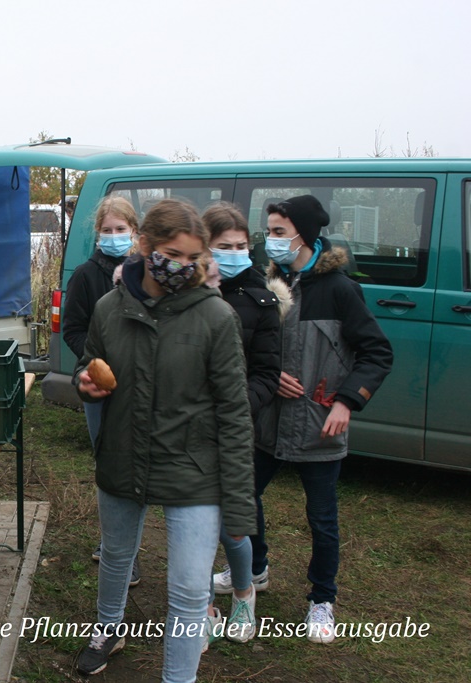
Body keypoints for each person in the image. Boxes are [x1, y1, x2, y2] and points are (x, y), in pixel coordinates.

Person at [73, 199, 254, 679]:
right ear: (144, 246)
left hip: (193, 468)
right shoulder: (109, 309)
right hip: (123, 455)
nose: (182, 267)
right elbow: (89, 364)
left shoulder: (216, 317)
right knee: (116, 556)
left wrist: (239, 507)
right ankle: (108, 628)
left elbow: (235, 414)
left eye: (193, 258)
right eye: (172, 255)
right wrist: (85, 383)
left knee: (191, 590)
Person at [253, 195, 393, 643]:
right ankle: (255, 569)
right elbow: (253, 346)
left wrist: (347, 402)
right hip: (269, 421)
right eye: (269, 231)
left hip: (319, 424)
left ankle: (322, 599)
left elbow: (377, 353)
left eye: (279, 232)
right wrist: (269, 375)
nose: (270, 240)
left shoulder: (340, 290)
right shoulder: (269, 283)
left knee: (322, 518)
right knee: (243, 495)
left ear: (305, 235)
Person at [200, 202, 286, 648]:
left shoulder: (263, 301)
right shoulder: (187, 293)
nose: (234, 254)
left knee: (234, 523)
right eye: (224, 246)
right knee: (193, 520)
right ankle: (201, 606)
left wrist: (236, 407)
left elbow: (268, 374)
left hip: (235, 427)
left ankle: (243, 592)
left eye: (240, 246)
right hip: (189, 427)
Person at [62, 196, 141, 583]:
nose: (113, 236)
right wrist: (95, 359)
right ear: (97, 234)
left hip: (141, 385)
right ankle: (114, 543)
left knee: (139, 464)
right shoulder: (85, 275)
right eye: (107, 230)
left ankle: (129, 548)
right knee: (109, 462)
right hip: (100, 387)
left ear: (134, 231)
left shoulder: (147, 272)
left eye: (120, 229)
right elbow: (72, 329)